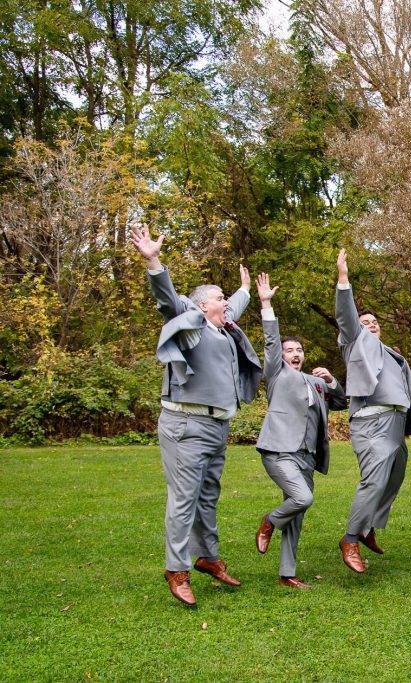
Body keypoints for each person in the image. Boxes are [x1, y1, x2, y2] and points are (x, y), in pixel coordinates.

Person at [129, 224, 262, 607]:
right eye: (219, 299)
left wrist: (246, 291)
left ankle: (207, 557)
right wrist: (153, 260)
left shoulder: (223, 327)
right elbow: (168, 300)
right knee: (184, 498)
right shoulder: (192, 323)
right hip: (185, 424)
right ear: (203, 305)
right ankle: (177, 569)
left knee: (207, 496)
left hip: (217, 425)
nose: (226, 304)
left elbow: (234, 306)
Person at [253, 273, 347, 589]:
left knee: (298, 515)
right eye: (290, 350)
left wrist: (332, 381)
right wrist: (267, 304)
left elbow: (341, 401)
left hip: (307, 457)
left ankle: (287, 575)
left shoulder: (314, 382)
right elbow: (269, 341)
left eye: (299, 351)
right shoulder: (277, 375)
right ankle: (269, 522)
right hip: (279, 451)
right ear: (281, 356)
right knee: (302, 499)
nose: (296, 354)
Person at [334, 248, 411, 574]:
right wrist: (343, 279)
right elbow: (345, 317)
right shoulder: (355, 341)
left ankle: (367, 527)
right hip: (371, 421)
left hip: (395, 423)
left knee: (393, 477)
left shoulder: (391, 354)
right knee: (373, 480)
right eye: (365, 322)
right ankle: (350, 538)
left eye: (375, 322)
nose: (370, 325)